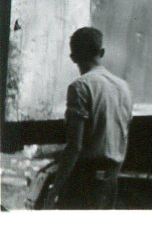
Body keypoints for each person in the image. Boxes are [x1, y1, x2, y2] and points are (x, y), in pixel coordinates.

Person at [40, 27, 132, 210]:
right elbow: (123, 137)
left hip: (85, 182)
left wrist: (54, 191)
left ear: (73, 57)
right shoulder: (124, 87)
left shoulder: (79, 87)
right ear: (102, 52)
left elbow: (75, 146)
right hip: (111, 180)